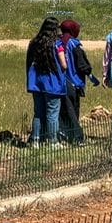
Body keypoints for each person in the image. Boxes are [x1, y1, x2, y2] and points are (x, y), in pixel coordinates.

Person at [25, 18, 69, 146]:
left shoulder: (34, 43)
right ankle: (52, 141)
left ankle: (35, 140)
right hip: (53, 84)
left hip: (37, 83)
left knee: (38, 113)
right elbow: (64, 65)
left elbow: (29, 63)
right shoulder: (57, 44)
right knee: (52, 113)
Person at [57, 19, 92, 145]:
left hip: (59, 82)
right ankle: (77, 138)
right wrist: (89, 72)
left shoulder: (58, 43)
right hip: (74, 82)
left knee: (63, 111)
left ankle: (65, 135)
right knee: (73, 111)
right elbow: (82, 65)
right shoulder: (75, 45)